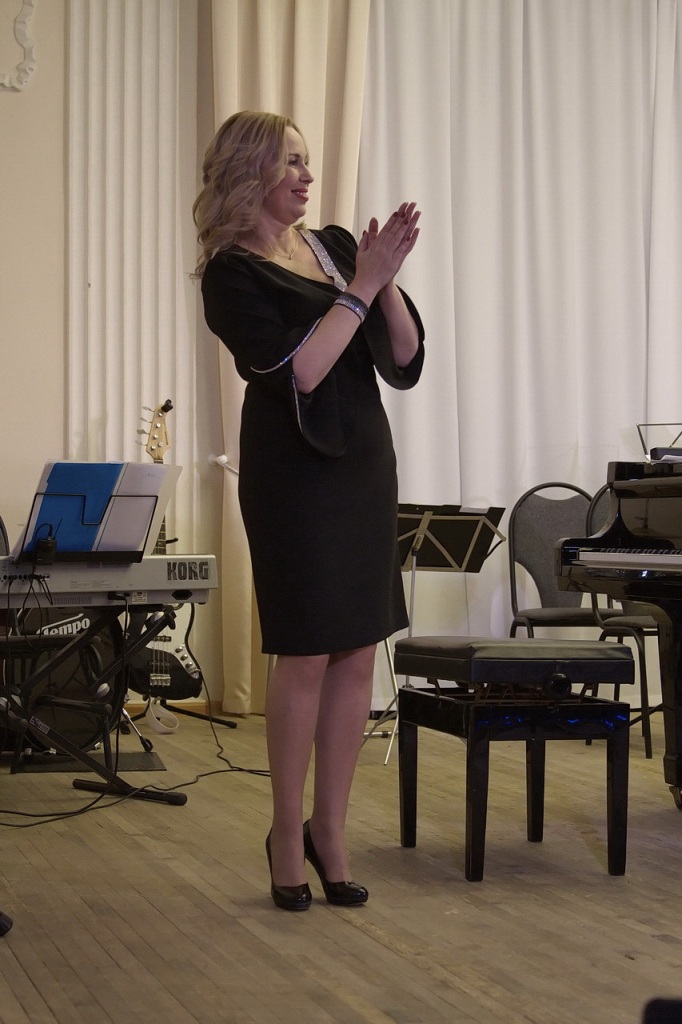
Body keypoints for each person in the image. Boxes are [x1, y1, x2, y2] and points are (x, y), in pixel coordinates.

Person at [194, 110, 424, 911]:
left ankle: (330, 830)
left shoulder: (333, 246)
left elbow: (403, 357)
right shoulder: (231, 274)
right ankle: (285, 836)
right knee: (305, 652)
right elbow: (301, 372)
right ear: (248, 170)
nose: (306, 174)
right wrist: (360, 287)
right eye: (289, 161)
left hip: (363, 467)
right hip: (294, 476)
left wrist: (383, 278)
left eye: (306, 160)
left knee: (357, 652)